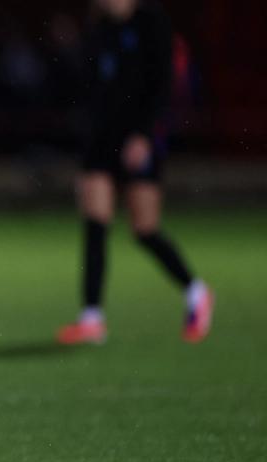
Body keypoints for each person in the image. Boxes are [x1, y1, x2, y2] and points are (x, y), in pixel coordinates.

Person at [57, 0, 213, 345]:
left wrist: (144, 135)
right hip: (102, 139)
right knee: (95, 222)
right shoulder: (99, 28)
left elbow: (163, 86)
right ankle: (92, 318)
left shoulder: (152, 22)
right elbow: (92, 89)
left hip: (140, 139)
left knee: (144, 229)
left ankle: (196, 292)